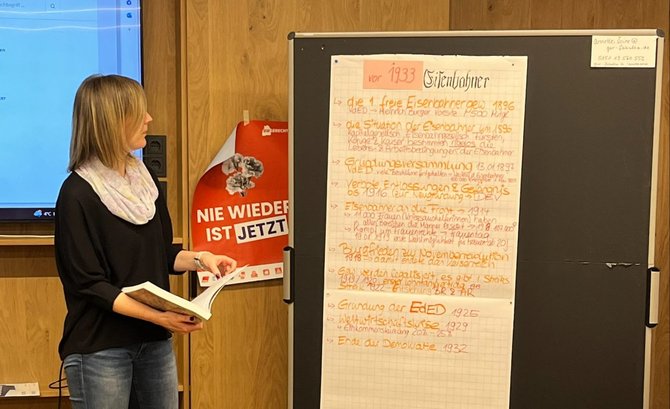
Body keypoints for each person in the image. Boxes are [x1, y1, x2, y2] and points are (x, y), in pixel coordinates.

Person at [54, 74, 237, 409]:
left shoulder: (144, 178)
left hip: (153, 343)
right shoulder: (76, 194)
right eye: (139, 113)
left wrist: (201, 259)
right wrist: (160, 317)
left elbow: (163, 254)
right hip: (101, 349)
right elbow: (90, 285)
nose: (149, 119)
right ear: (112, 122)